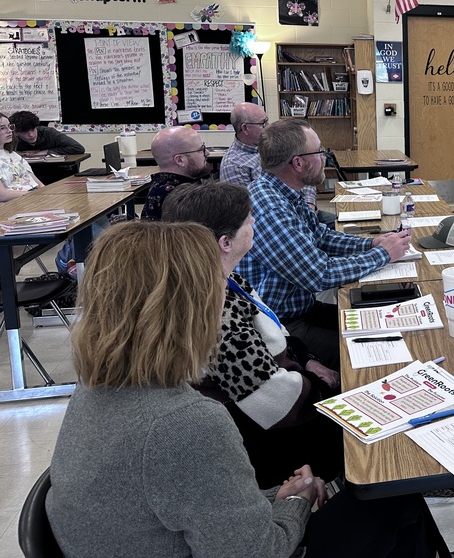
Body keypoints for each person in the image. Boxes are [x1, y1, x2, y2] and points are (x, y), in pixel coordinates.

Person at [45, 220, 434, 558]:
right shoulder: (184, 422)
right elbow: (262, 550)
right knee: (391, 493)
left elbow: (183, 508)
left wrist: (271, 499)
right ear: (192, 308)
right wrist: (296, 502)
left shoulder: (94, 389)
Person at [163, 181, 344, 487]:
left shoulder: (220, 281)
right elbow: (275, 403)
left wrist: (308, 360)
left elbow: (277, 333)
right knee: (375, 436)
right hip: (269, 440)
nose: (255, 223)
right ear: (225, 242)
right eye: (248, 220)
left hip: (280, 402)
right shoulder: (216, 315)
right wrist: (325, 389)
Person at [237, 119, 411, 369]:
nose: (325, 157)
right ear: (298, 163)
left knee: (384, 322)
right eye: (320, 151)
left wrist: (372, 243)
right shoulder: (269, 206)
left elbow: (321, 235)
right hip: (281, 324)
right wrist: (383, 255)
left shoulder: (282, 191)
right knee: (381, 352)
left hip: (301, 308)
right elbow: (319, 274)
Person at [220, 101, 334, 224]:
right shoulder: (233, 164)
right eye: (263, 123)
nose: (268, 126)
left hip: (302, 210)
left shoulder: (272, 145)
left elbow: (306, 170)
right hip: (274, 220)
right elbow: (248, 213)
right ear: (245, 128)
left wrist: (309, 205)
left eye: (267, 120)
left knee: (343, 225)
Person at [141, 124, 212, 220]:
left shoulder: (159, 189)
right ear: (180, 160)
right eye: (201, 149)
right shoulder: (183, 199)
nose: (207, 153)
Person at [0, 113, 45, 201]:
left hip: (30, 198)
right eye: (2, 128)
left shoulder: (14, 155)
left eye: (9, 126)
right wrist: (33, 195)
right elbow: (2, 195)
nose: (9, 131)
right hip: (13, 204)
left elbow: (39, 185)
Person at [8, 110, 85, 155]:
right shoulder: (10, 138)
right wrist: (18, 154)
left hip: (58, 170)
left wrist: (46, 152)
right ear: (16, 133)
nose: (31, 135)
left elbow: (78, 148)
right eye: (25, 132)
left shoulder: (48, 132)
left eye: (33, 129)